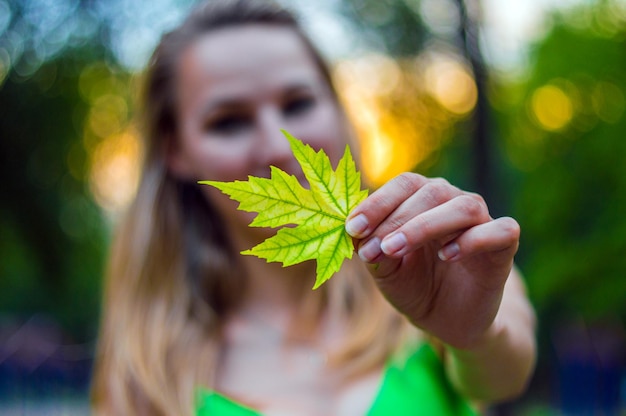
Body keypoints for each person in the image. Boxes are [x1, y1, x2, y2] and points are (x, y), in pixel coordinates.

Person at [90, 0, 536, 414]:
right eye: (228, 121)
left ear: (338, 112)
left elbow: (504, 374)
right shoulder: (148, 372)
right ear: (176, 151)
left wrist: (473, 339)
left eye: (298, 103)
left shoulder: (435, 259)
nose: (276, 145)